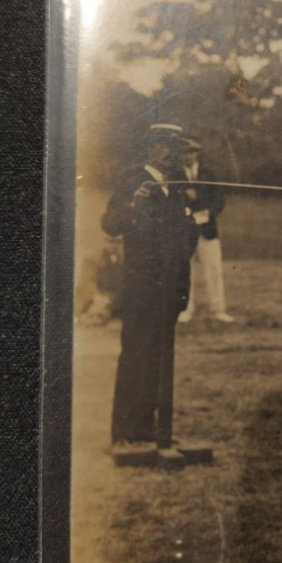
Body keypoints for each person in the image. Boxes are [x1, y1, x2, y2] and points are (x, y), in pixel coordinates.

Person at [102, 123, 196, 445]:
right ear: (151, 148)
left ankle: (150, 429)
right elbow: (111, 224)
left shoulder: (177, 189)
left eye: (177, 147)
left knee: (159, 359)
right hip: (142, 290)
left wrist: (191, 226)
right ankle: (125, 432)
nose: (173, 153)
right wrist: (133, 205)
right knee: (136, 356)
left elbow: (186, 241)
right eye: (167, 146)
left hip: (170, 289)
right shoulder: (133, 180)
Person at [177, 139, 234, 324]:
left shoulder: (209, 174)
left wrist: (206, 211)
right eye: (184, 152)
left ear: (197, 153)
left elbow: (219, 200)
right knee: (185, 271)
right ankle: (185, 309)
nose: (188, 156)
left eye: (191, 152)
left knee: (214, 269)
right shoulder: (174, 176)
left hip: (207, 230)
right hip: (184, 231)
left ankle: (217, 310)